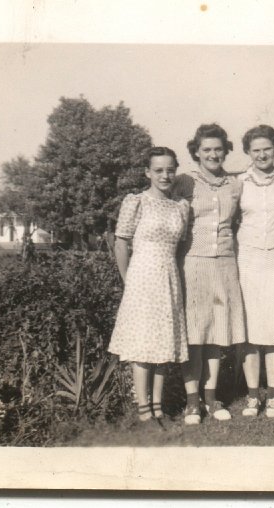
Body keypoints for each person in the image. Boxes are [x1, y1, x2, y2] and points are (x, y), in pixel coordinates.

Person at [107, 147, 190, 423]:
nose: (165, 176)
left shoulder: (181, 206)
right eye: (158, 170)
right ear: (147, 173)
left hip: (168, 276)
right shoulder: (137, 202)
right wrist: (127, 278)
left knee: (163, 342)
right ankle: (143, 407)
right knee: (143, 343)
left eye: (170, 170)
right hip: (142, 277)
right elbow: (121, 242)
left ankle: (158, 405)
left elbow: (180, 247)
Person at [174, 123, 245, 423]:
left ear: (225, 150)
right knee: (194, 332)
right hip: (194, 262)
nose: (213, 154)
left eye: (218, 149)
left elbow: (239, 221)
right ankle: (192, 401)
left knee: (217, 332)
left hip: (225, 263)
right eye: (207, 149)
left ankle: (212, 399)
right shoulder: (184, 183)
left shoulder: (235, 184)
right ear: (196, 152)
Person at [236, 125, 274, 418]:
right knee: (249, 330)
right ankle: (252, 396)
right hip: (247, 258)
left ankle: (272, 396)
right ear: (248, 152)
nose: (262, 155)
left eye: (267, 149)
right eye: (255, 150)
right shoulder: (239, 183)